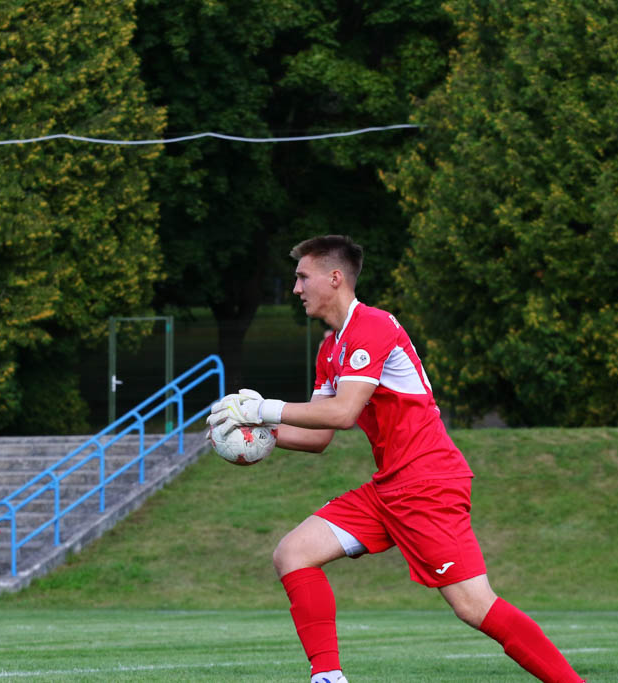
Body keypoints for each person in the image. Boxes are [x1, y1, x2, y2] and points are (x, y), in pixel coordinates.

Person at [208, 235, 584, 683]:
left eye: (302, 277)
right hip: (390, 486)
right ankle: (327, 677)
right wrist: (251, 434)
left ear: (335, 277)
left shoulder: (373, 325)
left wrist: (262, 409)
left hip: (428, 482)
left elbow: (344, 413)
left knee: (474, 606)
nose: (296, 289)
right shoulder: (330, 349)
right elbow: (319, 436)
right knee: (294, 553)